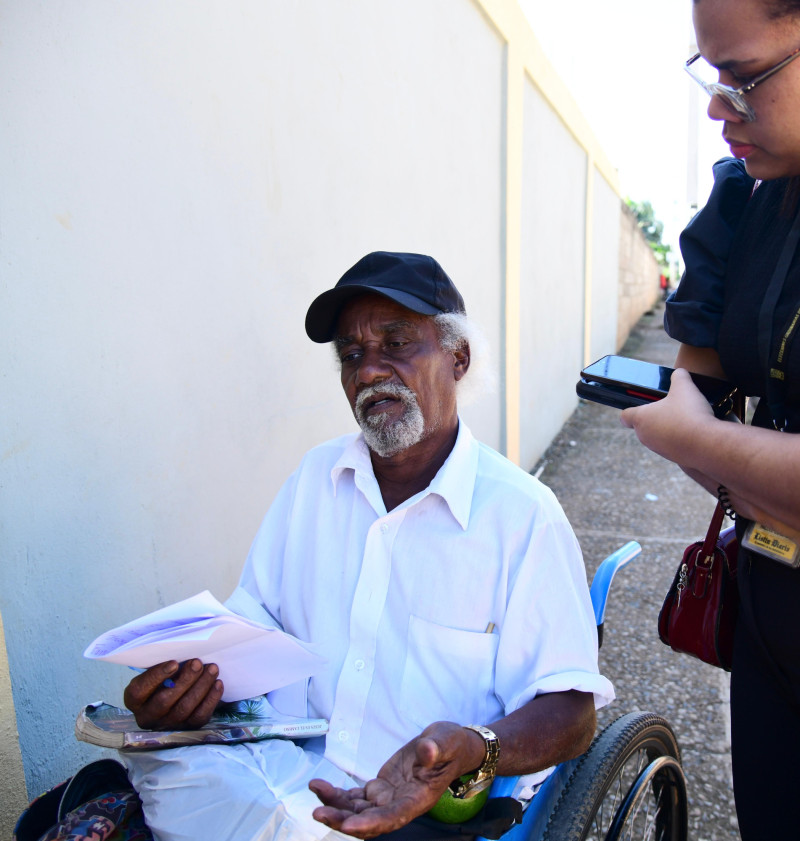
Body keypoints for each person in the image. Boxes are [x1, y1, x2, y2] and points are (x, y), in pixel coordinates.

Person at [120, 251, 613, 841]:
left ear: (458, 358)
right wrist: (186, 692)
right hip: (277, 769)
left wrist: (474, 747)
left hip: (417, 806)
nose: (368, 370)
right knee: (150, 761)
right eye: (351, 356)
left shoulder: (523, 517)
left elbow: (571, 714)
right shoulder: (315, 478)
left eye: (397, 344)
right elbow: (257, 624)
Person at [620, 1, 800, 837]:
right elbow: (695, 389)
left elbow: (691, 424)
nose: (718, 106)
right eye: (711, 75)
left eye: (745, 77)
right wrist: (739, 454)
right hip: (768, 609)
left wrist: (704, 441)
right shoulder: (748, 199)